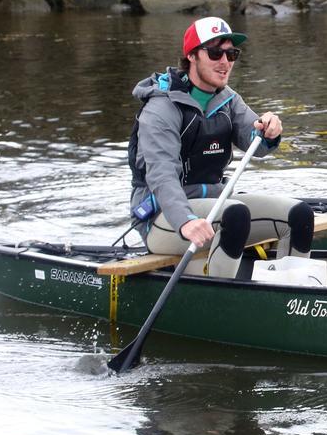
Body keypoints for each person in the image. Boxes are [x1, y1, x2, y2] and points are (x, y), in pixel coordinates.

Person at [127, 16, 314, 278]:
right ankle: (220, 302)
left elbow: (256, 144)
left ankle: (293, 294)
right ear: (192, 56)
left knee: (299, 215)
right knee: (235, 214)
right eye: (215, 53)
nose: (225, 62)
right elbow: (161, 175)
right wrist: (186, 221)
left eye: (231, 53)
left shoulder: (227, 99)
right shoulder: (161, 108)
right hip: (162, 217)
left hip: (214, 207)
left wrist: (269, 131)